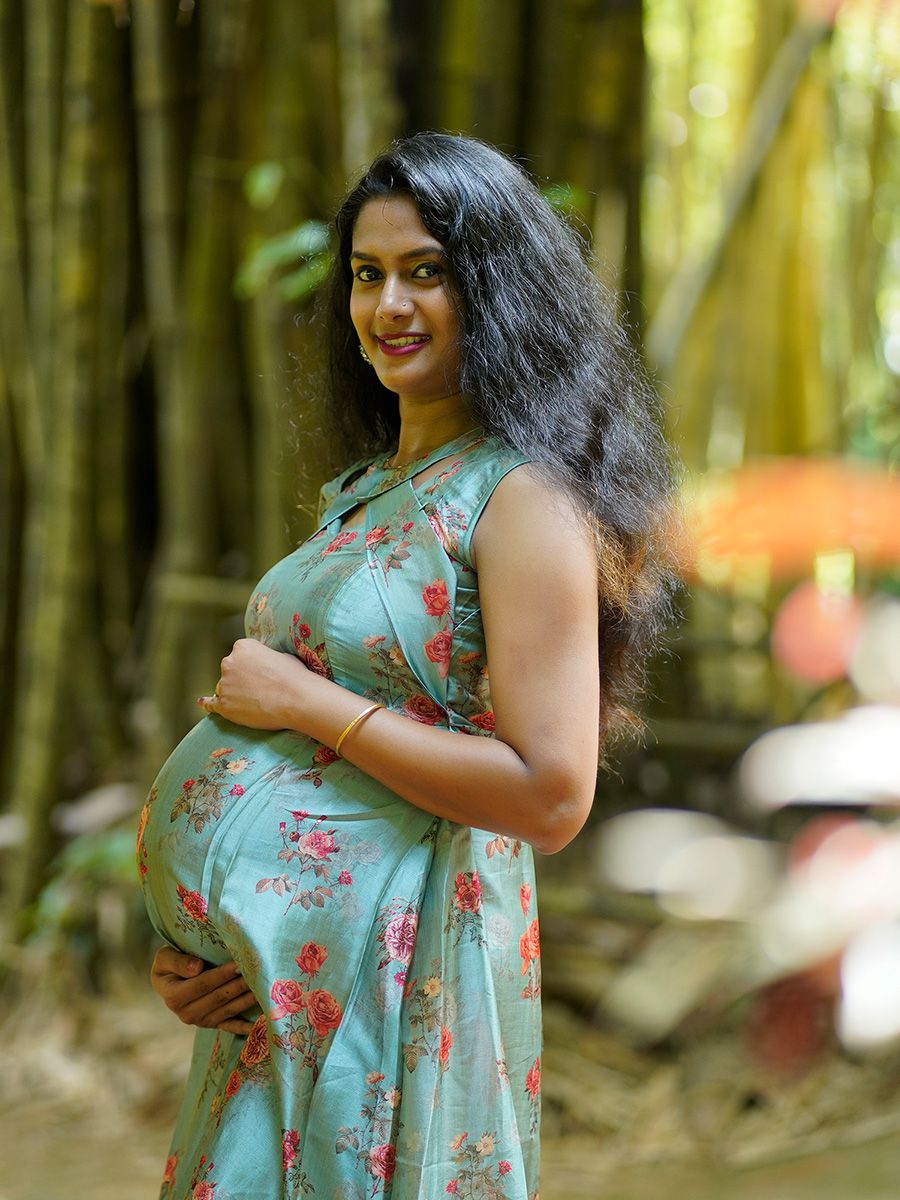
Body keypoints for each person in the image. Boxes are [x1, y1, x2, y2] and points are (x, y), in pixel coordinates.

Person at [138, 132, 674, 1200]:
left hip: (399, 978)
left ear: (498, 289)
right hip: (283, 988)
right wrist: (205, 949)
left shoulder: (521, 499)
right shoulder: (368, 486)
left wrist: (306, 701)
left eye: (428, 272)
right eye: (367, 274)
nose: (390, 305)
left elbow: (552, 794)